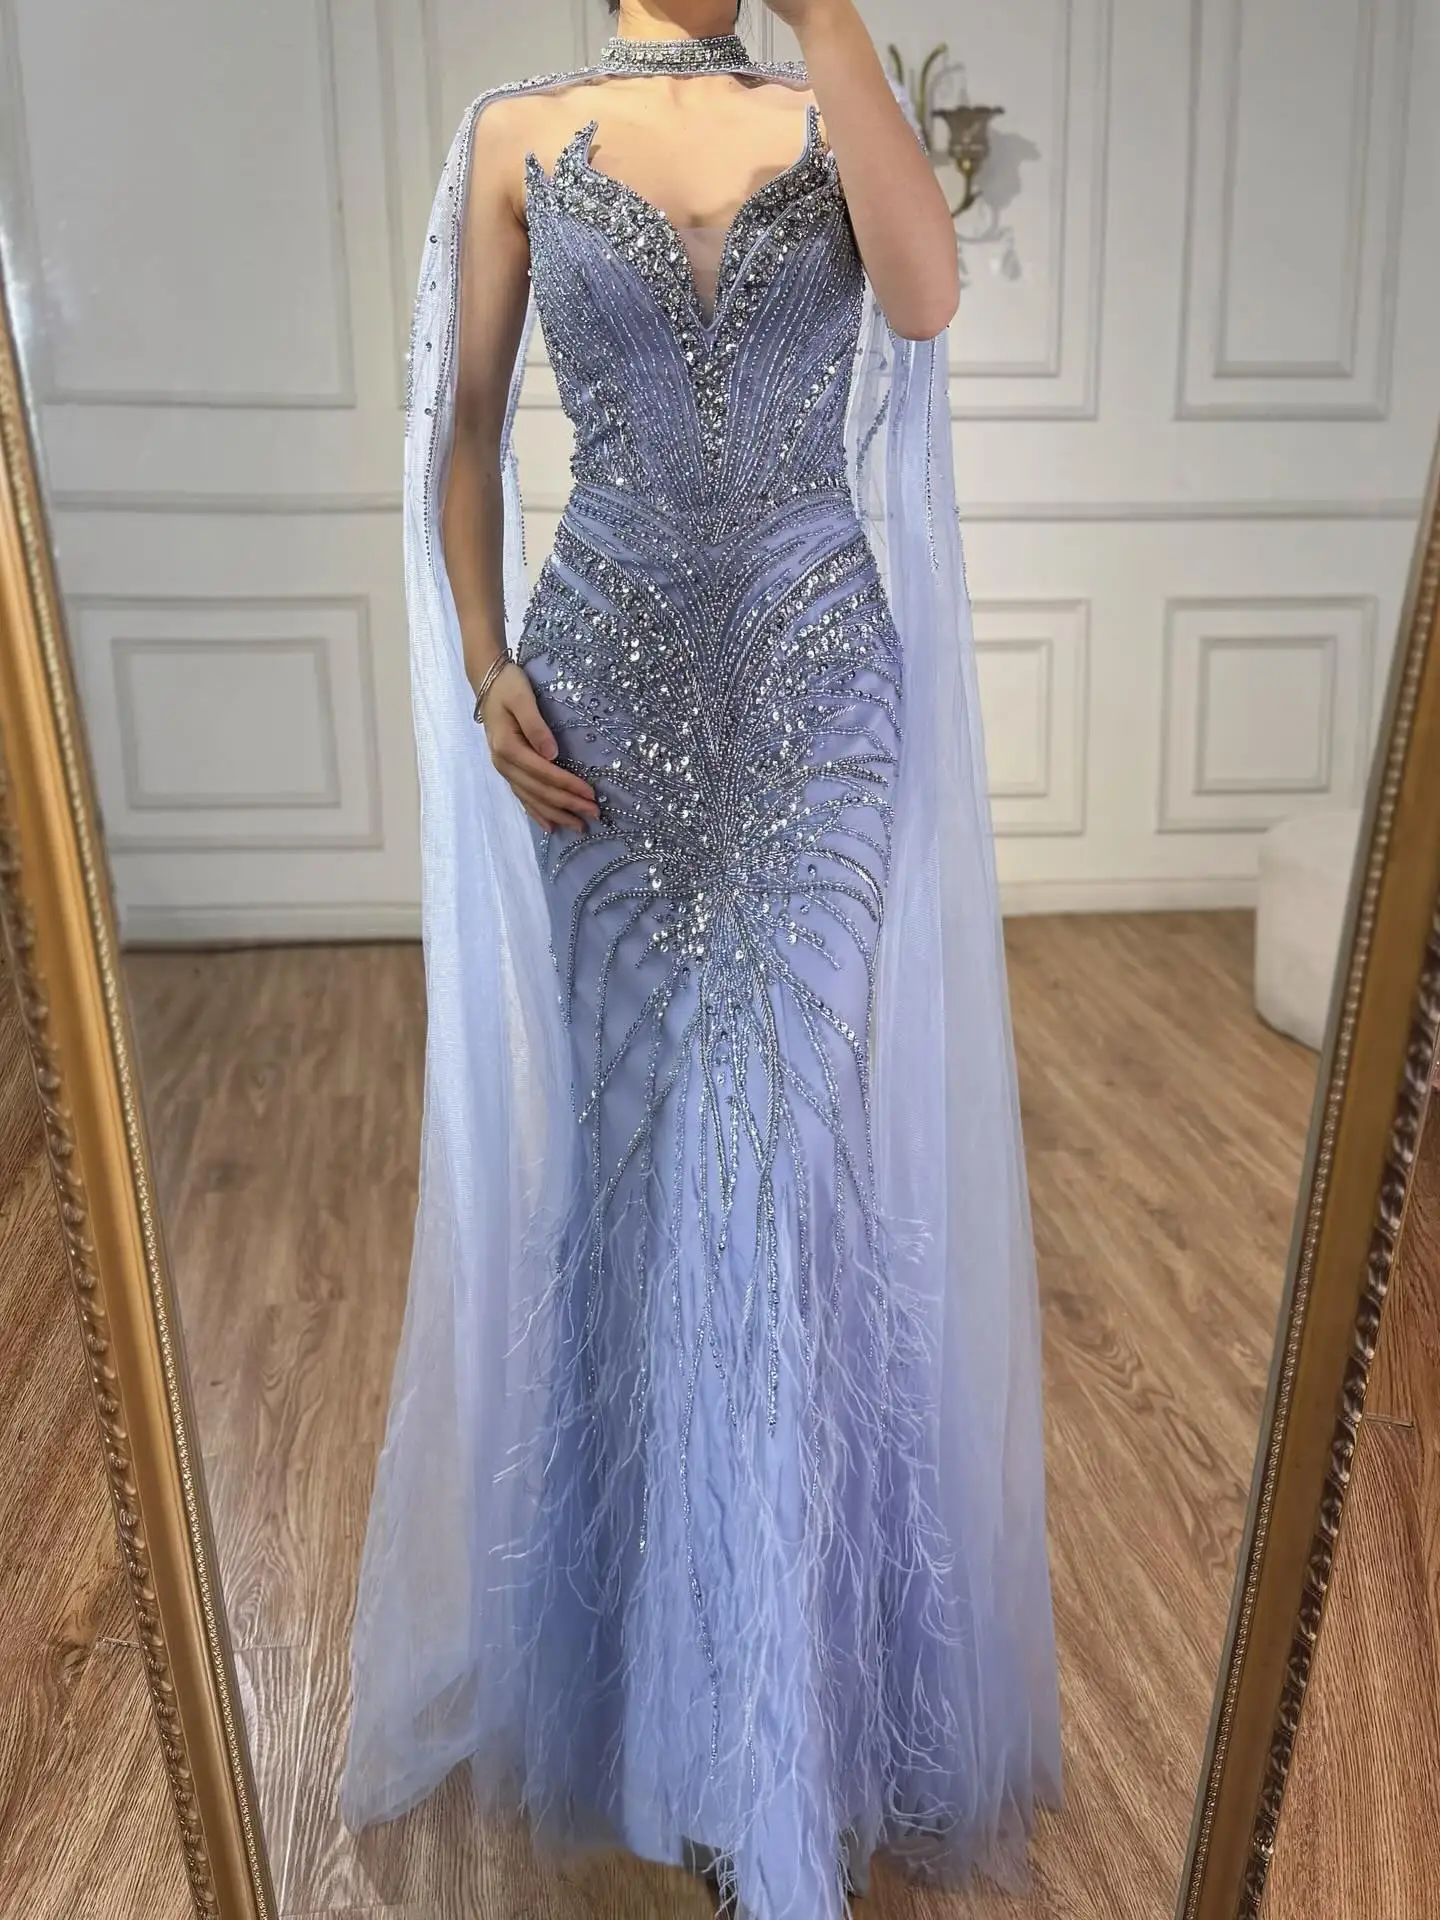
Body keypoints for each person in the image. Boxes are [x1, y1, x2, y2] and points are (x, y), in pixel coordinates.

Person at [340, 6, 1063, 1917]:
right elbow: (464, 435)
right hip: (606, 698)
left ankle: (777, 1754)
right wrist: (487, 664)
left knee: (783, 1166)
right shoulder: (517, 135)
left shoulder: (829, 105)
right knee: (654, 1165)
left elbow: (925, 301)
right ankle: (680, 1719)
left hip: (818, 688)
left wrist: (830, 23)